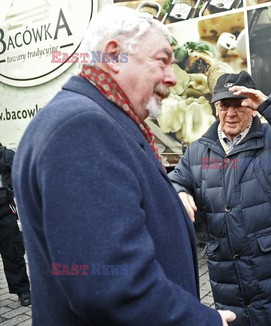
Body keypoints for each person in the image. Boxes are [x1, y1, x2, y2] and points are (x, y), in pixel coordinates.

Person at [12, 6, 235, 325]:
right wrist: (202, 321)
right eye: (162, 60)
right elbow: (110, 285)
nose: (172, 77)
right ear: (114, 54)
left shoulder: (97, 118)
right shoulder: (83, 126)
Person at [169, 70, 271, 325]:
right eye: (224, 105)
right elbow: (174, 181)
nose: (231, 113)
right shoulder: (198, 151)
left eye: (239, 104)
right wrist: (179, 192)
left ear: (252, 107)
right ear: (216, 107)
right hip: (230, 278)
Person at [0, 143, 31, 306]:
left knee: (13, 251)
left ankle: (23, 290)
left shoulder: (6, 155)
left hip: (4, 211)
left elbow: (22, 177)